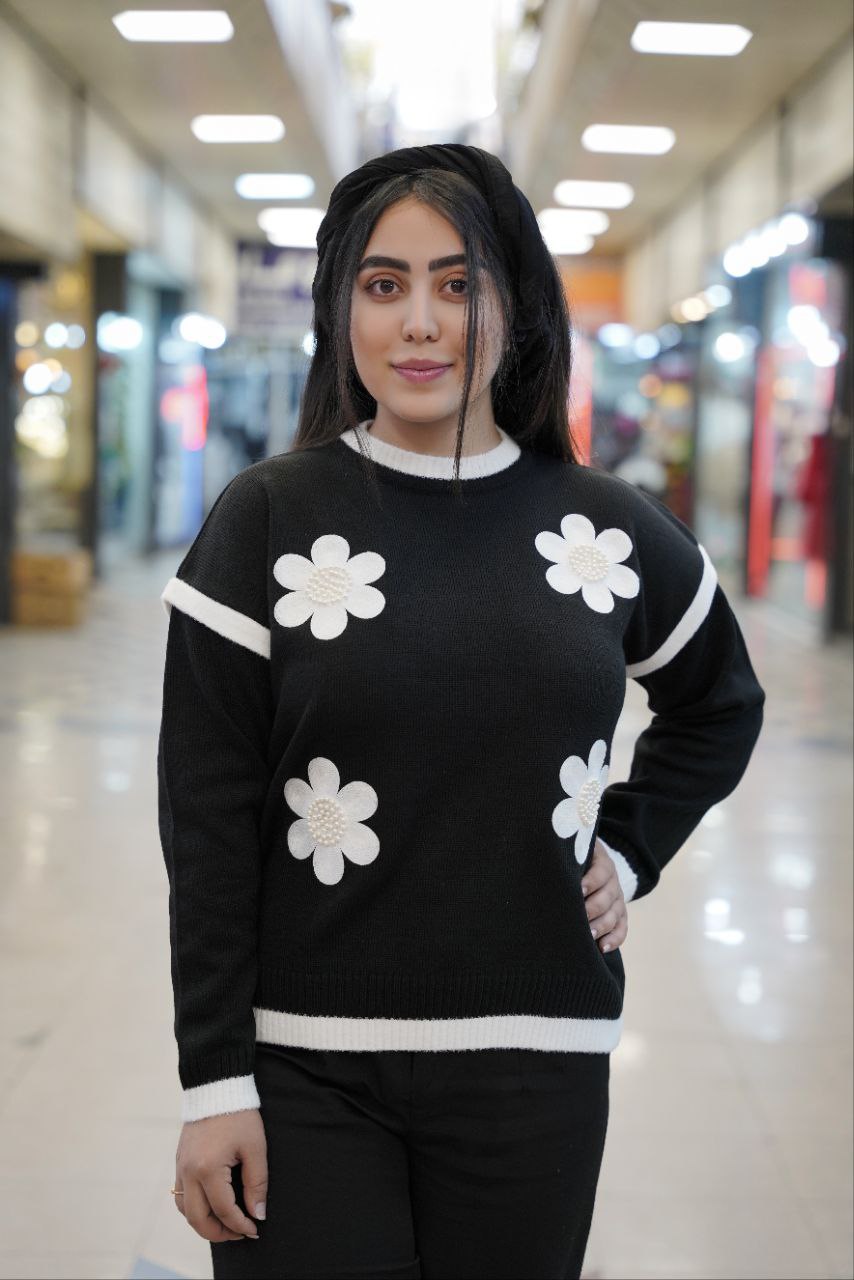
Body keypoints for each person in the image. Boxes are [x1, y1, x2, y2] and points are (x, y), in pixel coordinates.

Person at [157, 144, 765, 1280]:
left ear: (516, 305)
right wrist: (213, 1080)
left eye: (457, 283)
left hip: (536, 1057)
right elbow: (206, 820)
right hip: (304, 1063)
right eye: (383, 285)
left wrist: (630, 850)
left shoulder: (608, 529)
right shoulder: (267, 519)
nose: (421, 323)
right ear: (341, 310)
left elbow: (719, 704)